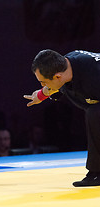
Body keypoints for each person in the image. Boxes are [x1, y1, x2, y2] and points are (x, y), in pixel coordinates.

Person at [24, 49, 100, 187]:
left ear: (58, 77)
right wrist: (41, 95)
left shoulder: (94, 75)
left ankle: (97, 173)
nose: (42, 86)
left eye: (43, 82)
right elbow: (57, 86)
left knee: (95, 113)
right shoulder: (65, 65)